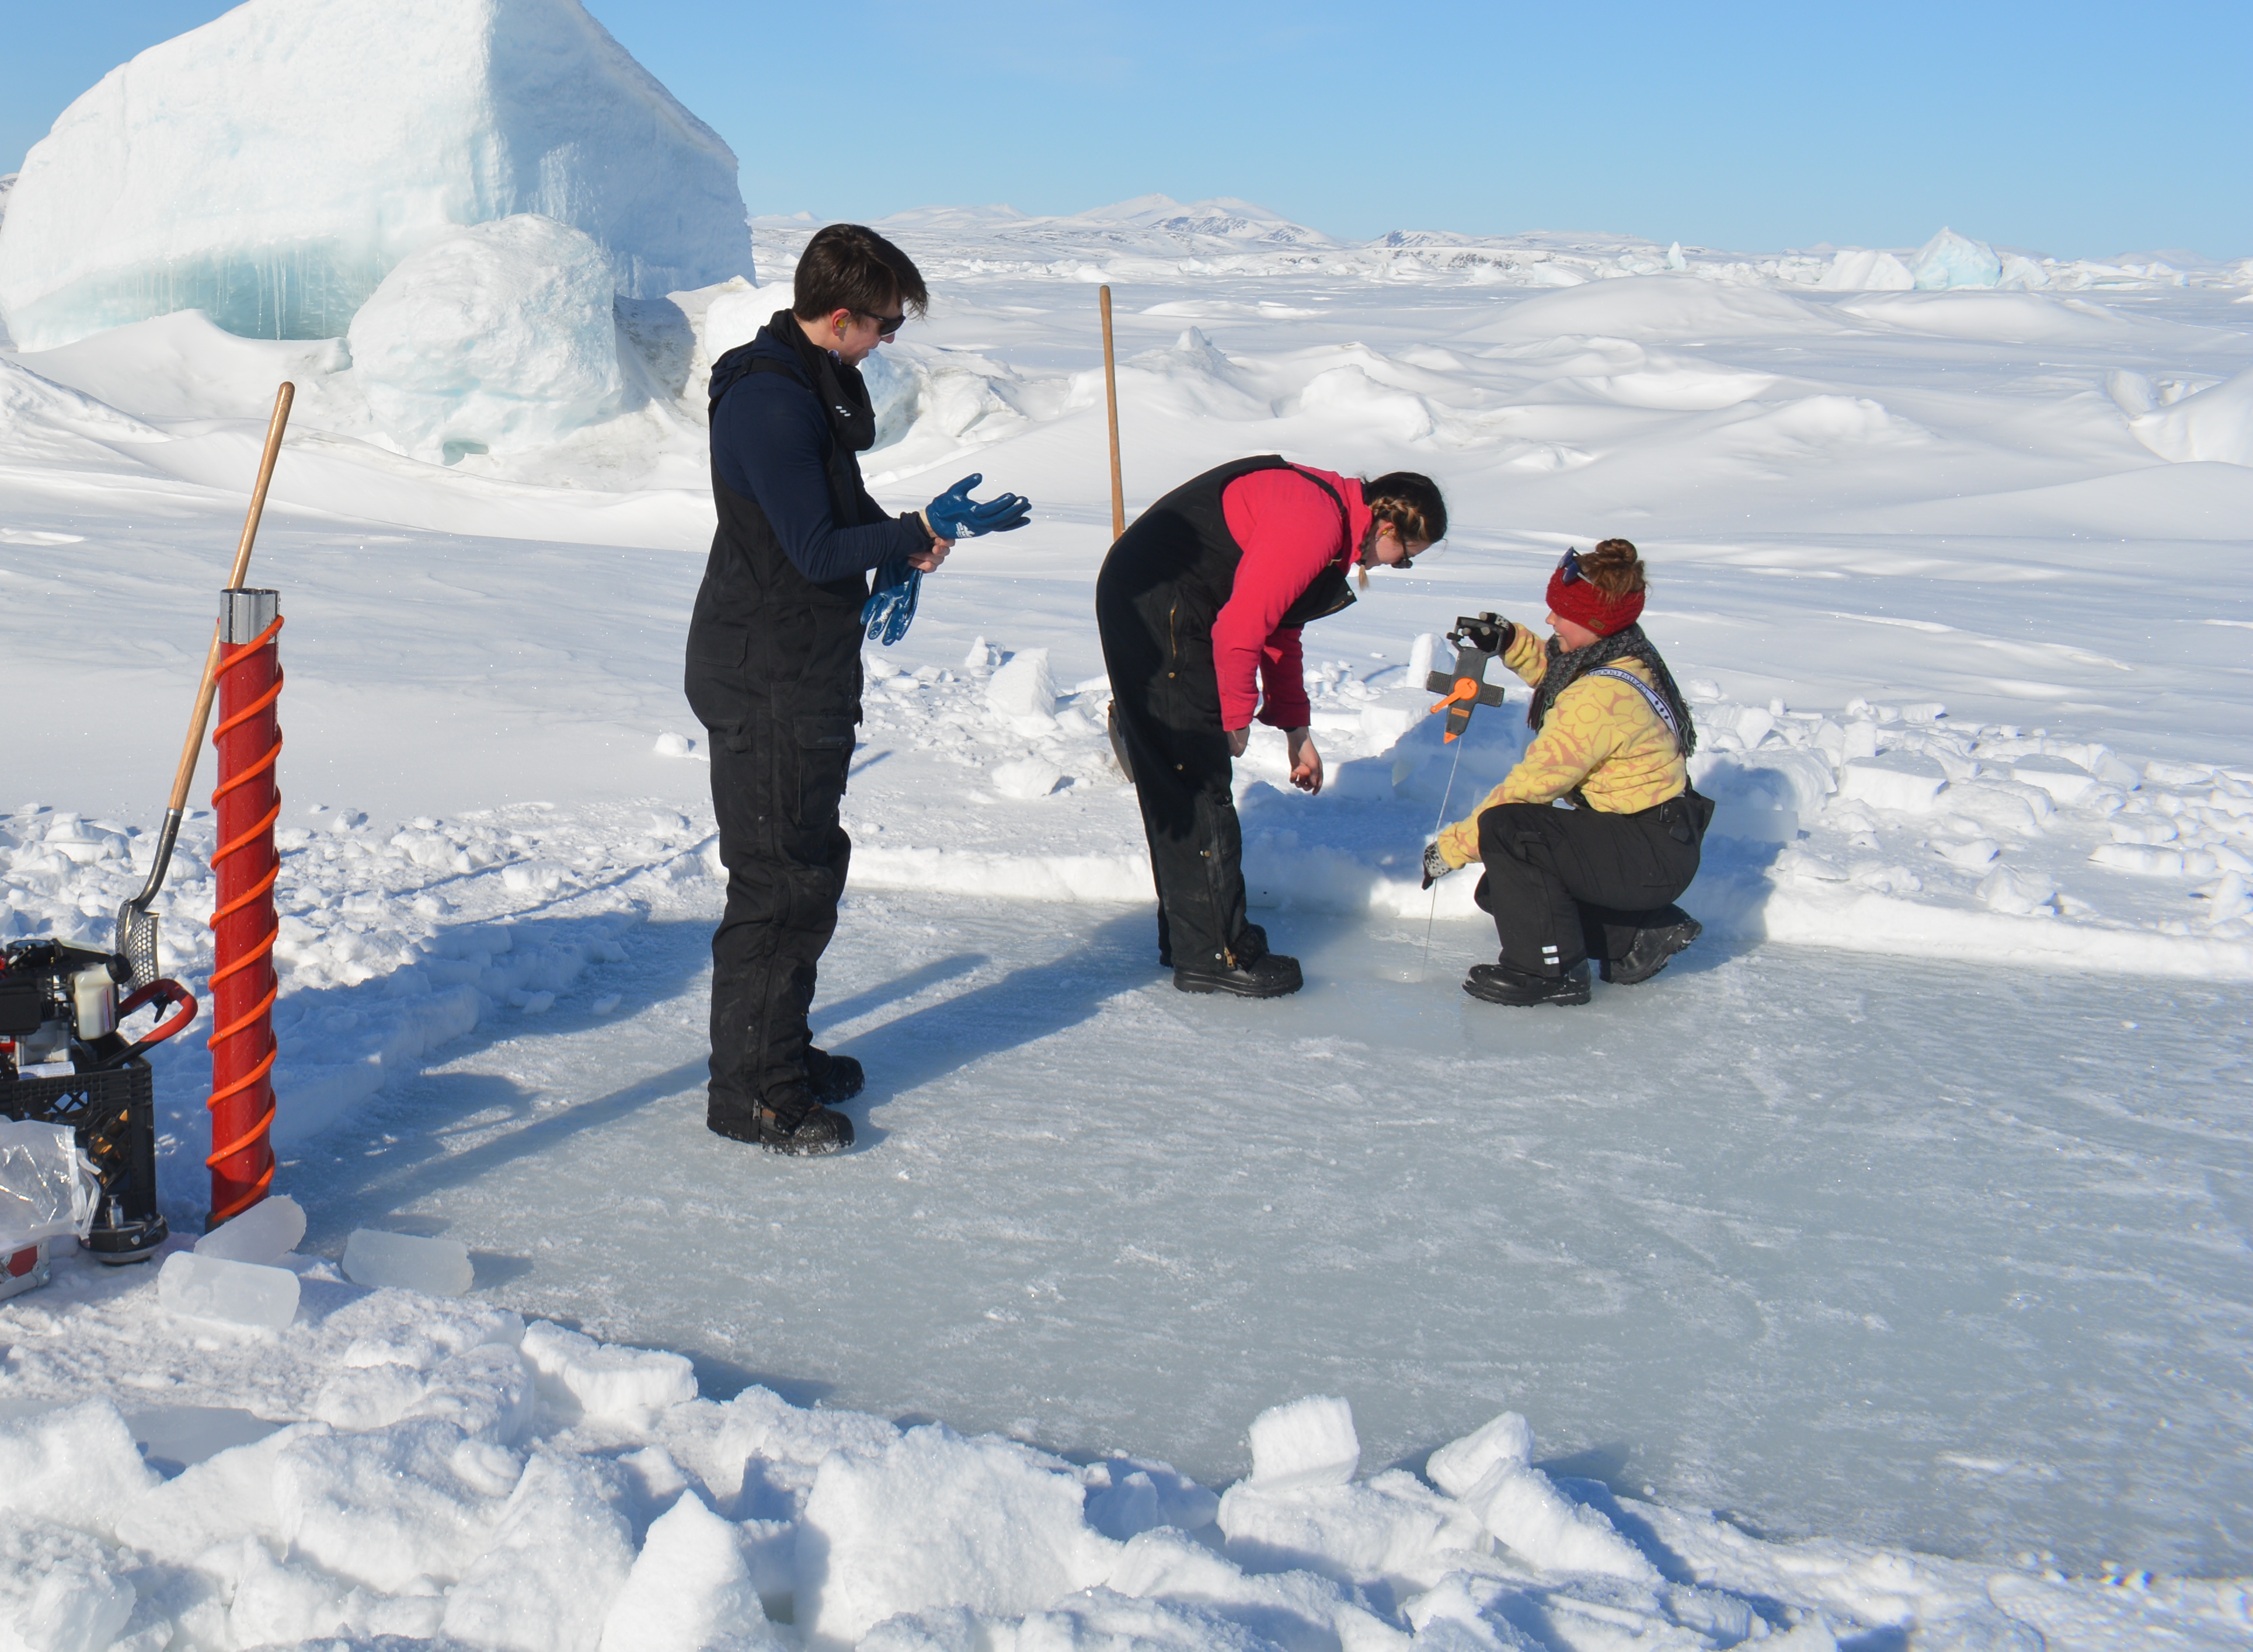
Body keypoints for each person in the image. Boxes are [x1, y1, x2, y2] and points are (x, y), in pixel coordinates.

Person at [685, 224, 1032, 1156]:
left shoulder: (806, 384)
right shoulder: (770, 404)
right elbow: (812, 549)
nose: (885, 342)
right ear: (839, 317)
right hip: (766, 670)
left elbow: (835, 517)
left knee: (808, 862)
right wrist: (908, 526)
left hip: (799, 660)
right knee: (779, 881)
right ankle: (754, 1091)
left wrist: (906, 543)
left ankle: (778, 1046)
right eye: (882, 326)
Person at [1098, 455, 1447, 998]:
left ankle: (1197, 937)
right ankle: (1215, 954)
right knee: (1195, 776)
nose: (1392, 567)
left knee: (1186, 774)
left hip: (1161, 602)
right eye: (1403, 558)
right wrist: (1233, 720)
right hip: (1156, 606)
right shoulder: (1315, 521)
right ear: (1385, 527)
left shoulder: (1329, 522)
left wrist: (1296, 732)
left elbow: (1281, 631)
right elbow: (1241, 628)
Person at [1425, 541, 1709, 1006]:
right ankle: (1635, 936)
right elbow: (1564, 674)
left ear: (1595, 623)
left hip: (1648, 852)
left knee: (1509, 828)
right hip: (1661, 839)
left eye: (1560, 613)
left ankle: (1549, 973)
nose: (1551, 621)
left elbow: (1530, 789)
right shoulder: (1625, 652)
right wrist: (1509, 643)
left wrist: (1449, 848)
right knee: (1505, 891)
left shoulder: (1597, 699)